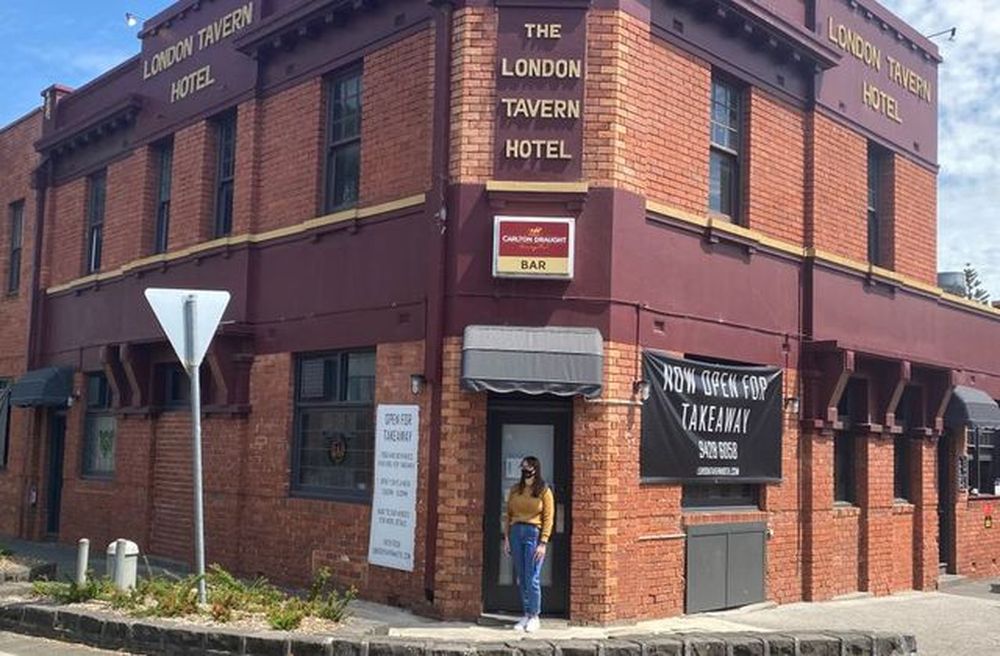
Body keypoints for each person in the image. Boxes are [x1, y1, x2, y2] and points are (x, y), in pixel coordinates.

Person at [503, 456, 554, 633]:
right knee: (522, 577)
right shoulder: (516, 490)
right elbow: (508, 514)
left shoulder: (543, 491)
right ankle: (526, 613)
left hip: (534, 533)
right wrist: (507, 538)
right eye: (523, 467)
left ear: (536, 469)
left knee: (532, 576)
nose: (526, 470)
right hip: (516, 532)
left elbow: (548, 517)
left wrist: (543, 542)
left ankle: (535, 615)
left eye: (529, 467)